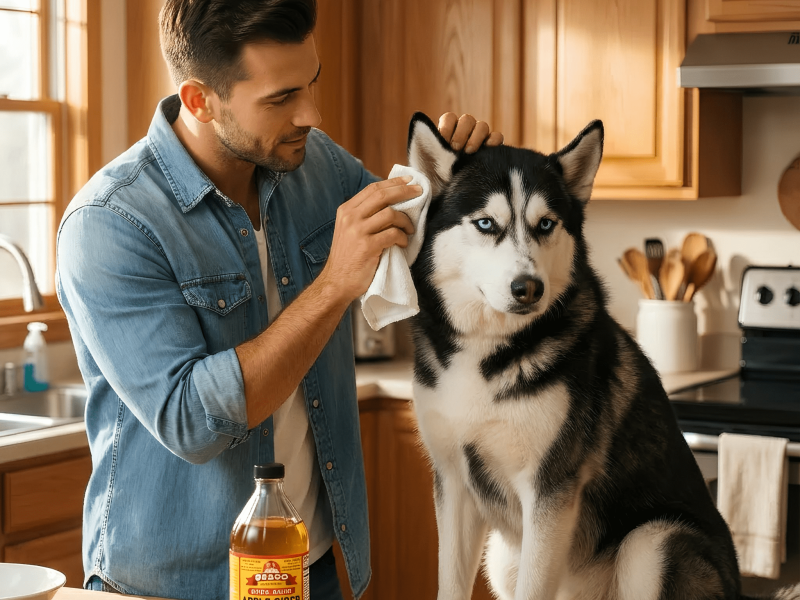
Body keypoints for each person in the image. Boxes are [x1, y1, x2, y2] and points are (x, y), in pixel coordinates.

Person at [55, 1, 503, 598]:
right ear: (199, 100)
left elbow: (415, 247)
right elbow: (193, 423)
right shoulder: (111, 222)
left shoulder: (315, 165)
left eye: (311, 83)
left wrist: (460, 181)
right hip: (175, 587)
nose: (312, 114)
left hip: (310, 566)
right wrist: (335, 284)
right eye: (281, 97)